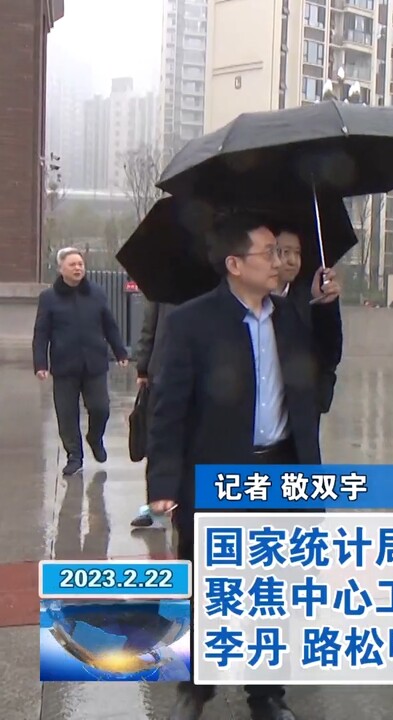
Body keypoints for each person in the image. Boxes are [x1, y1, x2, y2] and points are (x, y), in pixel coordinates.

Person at [146, 211, 338, 720]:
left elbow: (326, 363)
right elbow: (168, 409)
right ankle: (196, 687)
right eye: (269, 253)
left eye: (282, 252)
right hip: (218, 476)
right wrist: (164, 482)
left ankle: (266, 694)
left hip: (283, 471)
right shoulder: (191, 322)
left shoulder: (291, 316)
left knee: (274, 590)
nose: (281, 261)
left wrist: (327, 308)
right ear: (235, 264)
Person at [32, 247, 129, 476]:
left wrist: (120, 351)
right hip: (64, 365)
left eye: (80, 264)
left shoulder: (96, 293)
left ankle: (95, 437)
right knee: (67, 415)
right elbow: (41, 333)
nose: (78, 268)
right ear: (61, 269)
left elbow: (109, 325)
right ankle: (74, 456)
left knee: (101, 408)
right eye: (72, 264)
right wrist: (40, 364)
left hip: (94, 363)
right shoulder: (49, 298)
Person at [273, 225, 344, 414]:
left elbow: (330, 354)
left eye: (297, 253)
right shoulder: (252, 301)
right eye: (284, 252)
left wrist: (325, 306)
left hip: (301, 410)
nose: (292, 260)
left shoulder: (310, 298)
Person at [129, 300, 176, 529]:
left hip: (199, 376)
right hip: (162, 374)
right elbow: (149, 328)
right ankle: (155, 505)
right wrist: (143, 367)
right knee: (158, 443)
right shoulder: (162, 291)